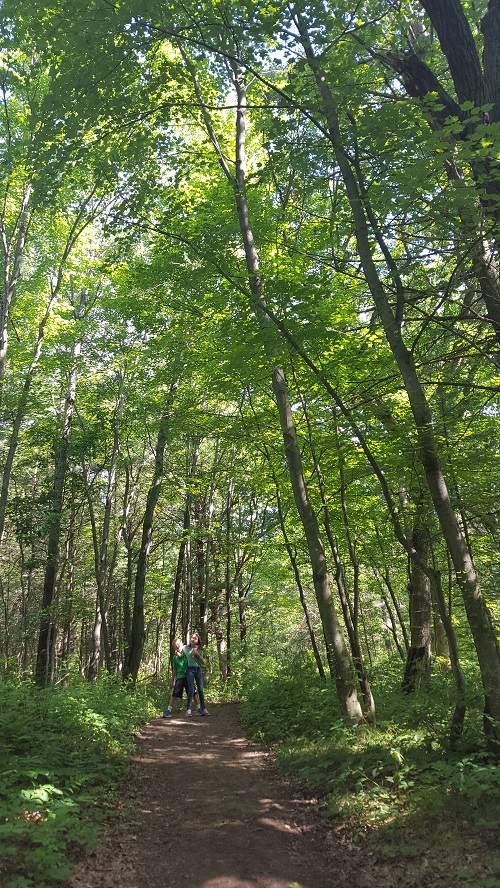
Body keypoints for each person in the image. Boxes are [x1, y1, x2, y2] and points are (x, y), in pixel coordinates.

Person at [162, 638, 198, 716]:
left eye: (178, 644)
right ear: (174, 647)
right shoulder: (175, 657)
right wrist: (172, 679)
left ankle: (199, 708)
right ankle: (168, 711)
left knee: (193, 692)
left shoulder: (186, 652)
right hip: (180, 677)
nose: (177, 646)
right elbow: (175, 669)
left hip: (188, 675)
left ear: (182, 643)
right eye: (175, 645)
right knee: (174, 694)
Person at [184, 632, 209, 716]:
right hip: (189, 669)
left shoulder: (200, 650)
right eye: (192, 638)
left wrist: (197, 654)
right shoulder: (186, 648)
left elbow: (202, 662)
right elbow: (178, 649)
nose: (193, 639)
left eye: (195, 638)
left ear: (198, 640)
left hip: (198, 669)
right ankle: (188, 709)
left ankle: (204, 708)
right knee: (191, 689)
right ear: (190, 639)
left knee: (200, 690)